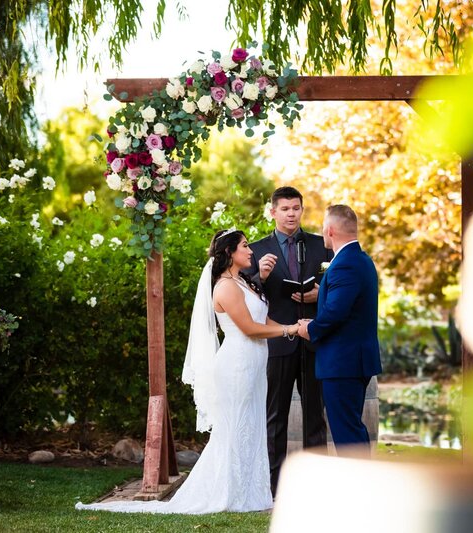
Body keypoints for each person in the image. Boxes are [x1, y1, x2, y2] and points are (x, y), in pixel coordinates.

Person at [76, 229, 299, 514]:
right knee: (233, 430)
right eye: (245, 246)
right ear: (230, 252)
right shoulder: (225, 287)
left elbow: (262, 318)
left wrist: (295, 324)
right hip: (237, 364)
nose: (251, 251)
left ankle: (250, 493)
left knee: (252, 426)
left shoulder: (243, 283)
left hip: (255, 364)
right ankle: (225, 493)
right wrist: (290, 330)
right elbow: (249, 328)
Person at [243, 186, 333, 495]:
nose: (291, 213)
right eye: (285, 209)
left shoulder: (322, 247)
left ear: (302, 210)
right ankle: (275, 486)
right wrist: (262, 277)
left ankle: (317, 485)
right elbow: (244, 294)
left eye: (296, 208)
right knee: (276, 417)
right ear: (273, 212)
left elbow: (338, 287)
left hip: (313, 341)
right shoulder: (255, 250)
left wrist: (320, 292)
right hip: (278, 342)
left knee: (315, 418)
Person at [297, 205, 382, 454]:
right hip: (351, 359)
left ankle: (357, 490)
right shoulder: (359, 259)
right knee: (351, 429)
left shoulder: (346, 263)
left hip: (343, 362)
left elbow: (336, 312)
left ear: (330, 230)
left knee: (346, 433)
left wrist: (310, 329)